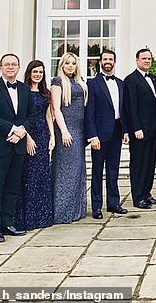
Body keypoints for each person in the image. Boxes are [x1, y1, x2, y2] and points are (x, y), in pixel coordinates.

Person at [0, 53, 33, 242]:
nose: (10, 67)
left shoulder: (25, 89)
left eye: (14, 64)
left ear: (19, 68)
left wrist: (22, 131)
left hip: (18, 146)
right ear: (1, 67)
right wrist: (12, 129)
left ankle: (8, 223)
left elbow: (31, 115)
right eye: (7, 64)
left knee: (12, 187)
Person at [85, 49, 128, 219]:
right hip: (100, 134)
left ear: (114, 62)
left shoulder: (121, 83)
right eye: (105, 59)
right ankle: (96, 206)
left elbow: (123, 109)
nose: (108, 61)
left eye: (111, 59)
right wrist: (92, 136)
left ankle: (113, 203)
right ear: (100, 62)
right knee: (97, 170)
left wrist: (125, 131)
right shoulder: (92, 83)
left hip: (117, 131)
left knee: (113, 169)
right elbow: (89, 112)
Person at [14, 60, 54, 231]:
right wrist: (28, 138)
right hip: (28, 136)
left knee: (42, 176)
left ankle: (41, 217)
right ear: (29, 73)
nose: (38, 75)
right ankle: (27, 218)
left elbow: (48, 116)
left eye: (41, 72)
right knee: (28, 177)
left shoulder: (46, 92)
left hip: (43, 135)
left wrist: (52, 136)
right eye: (35, 71)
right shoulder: (23, 92)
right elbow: (20, 117)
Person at [51, 52, 88, 224]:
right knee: (65, 171)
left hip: (80, 130)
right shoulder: (58, 82)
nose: (71, 66)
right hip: (67, 130)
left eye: (73, 63)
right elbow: (56, 109)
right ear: (62, 65)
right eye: (67, 63)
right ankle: (62, 211)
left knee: (77, 169)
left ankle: (76, 209)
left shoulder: (79, 82)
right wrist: (64, 131)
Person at [124, 48, 156, 209]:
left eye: (149, 59)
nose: (147, 61)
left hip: (152, 130)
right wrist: (136, 128)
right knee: (138, 164)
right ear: (137, 60)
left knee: (150, 163)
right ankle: (138, 197)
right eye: (144, 58)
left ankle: (146, 193)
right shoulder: (131, 79)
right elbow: (131, 106)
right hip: (139, 131)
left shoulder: (153, 78)